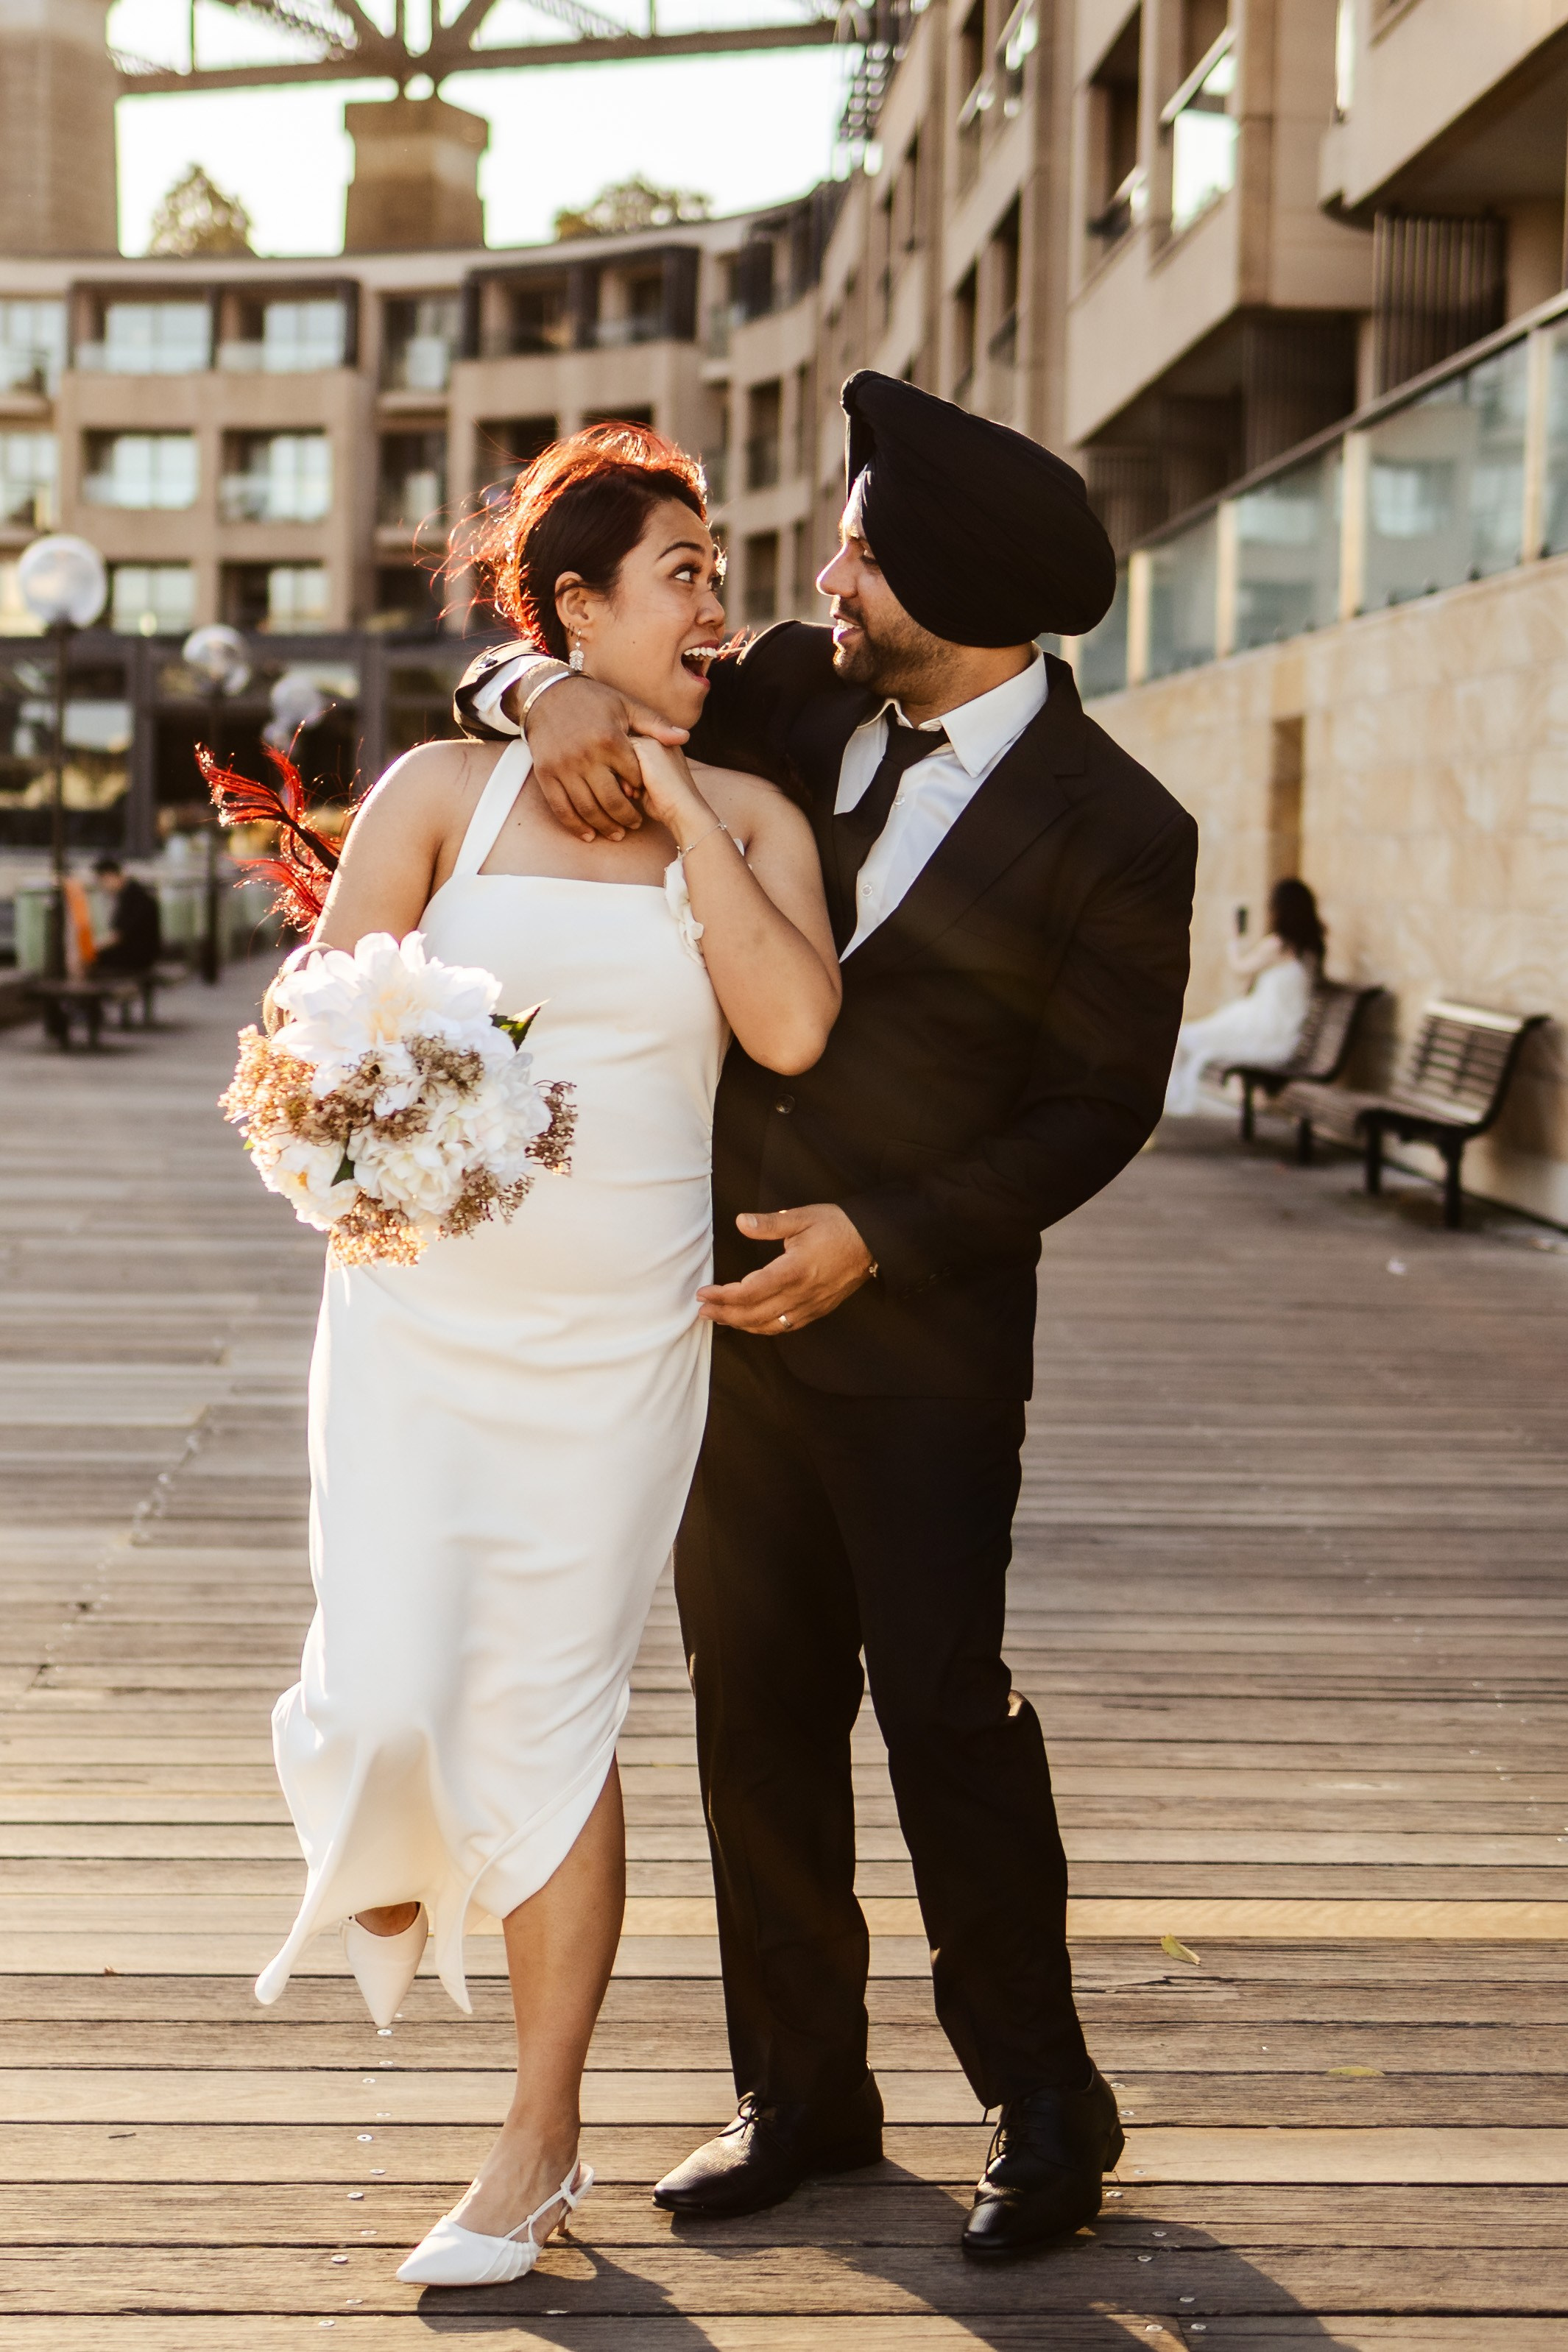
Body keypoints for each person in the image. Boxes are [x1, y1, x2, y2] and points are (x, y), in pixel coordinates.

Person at [453, 372, 1198, 2259]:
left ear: (945, 584)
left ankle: (1046, 2104)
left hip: (926, 1342)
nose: (822, 573)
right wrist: (532, 689)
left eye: (860, 547)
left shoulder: (1121, 823)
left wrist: (880, 1230)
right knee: (750, 1712)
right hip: (705, 1314)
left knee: (944, 1713)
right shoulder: (791, 687)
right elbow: (539, 667)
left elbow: (1090, 1110)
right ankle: (800, 2089)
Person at [252, 424, 841, 2289]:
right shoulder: (441, 788)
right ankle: (406, 1844)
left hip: (616, 1344)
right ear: (573, 610)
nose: (717, 602)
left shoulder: (750, 818)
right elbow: (310, 1038)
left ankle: (538, 2133)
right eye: (680, 569)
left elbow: (793, 1028)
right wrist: (379, 1126)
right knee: (399, 1688)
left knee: (554, 1712)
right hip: (421, 1317)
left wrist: (680, 811)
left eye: (720, 573)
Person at [1164, 876, 1326, 1115]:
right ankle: (1174, 1098)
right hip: (1278, 1031)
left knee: (1182, 1038)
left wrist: (1234, 939)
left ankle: (1173, 1101)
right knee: (1185, 1038)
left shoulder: (1278, 945)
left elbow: (1240, 968)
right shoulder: (1312, 950)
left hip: (1260, 1030)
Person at [90, 855, 161, 976]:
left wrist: (92, 947)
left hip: (139, 957)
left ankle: (90, 993)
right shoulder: (135, 893)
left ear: (110, 876)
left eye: (102, 881)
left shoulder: (133, 897)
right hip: (143, 953)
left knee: (92, 961)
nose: (103, 887)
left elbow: (119, 936)